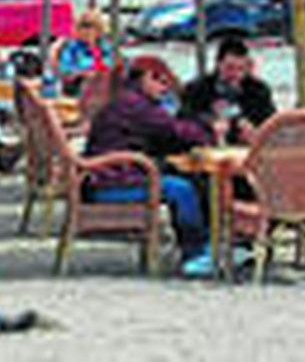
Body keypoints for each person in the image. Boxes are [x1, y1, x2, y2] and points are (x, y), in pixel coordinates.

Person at [83, 54, 219, 277]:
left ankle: (204, 244)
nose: (164, 87)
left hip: (109, 176)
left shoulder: (128, 100)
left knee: (187, 180)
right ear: (144, 78)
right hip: (111, 183)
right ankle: (195, 252)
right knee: (181, 190)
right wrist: (210, 131)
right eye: (159, 80)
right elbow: (174, 131)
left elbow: (163, 135)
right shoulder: (136, 105)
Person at [180, 37, 276, 144]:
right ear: (218, 64)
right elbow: (185, 116)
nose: (235, 74)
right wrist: (210, 122)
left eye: (241, 69)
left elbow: (271, 121)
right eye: (229, 68)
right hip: (207, 144)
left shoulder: (258, 90)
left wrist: (255, 129)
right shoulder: (198, 87)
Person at [49, 10, 112, 98]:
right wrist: (82, 72)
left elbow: (110, 66)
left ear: (99, 31)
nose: (86, 31)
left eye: (90, 27)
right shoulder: (72, 48)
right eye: (83, 27)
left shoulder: (105, 47)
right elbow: (65, 68)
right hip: (78, 88)